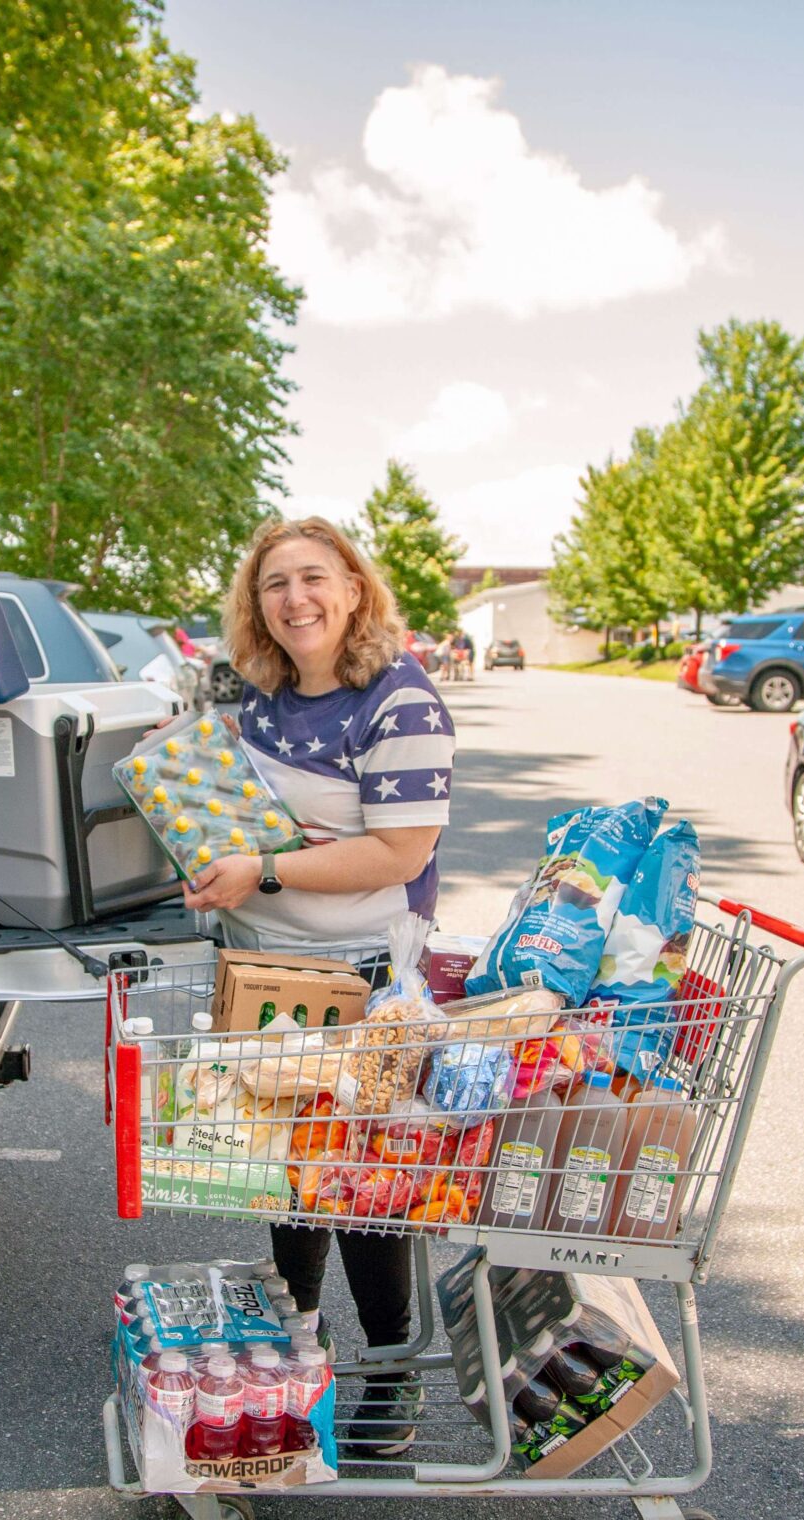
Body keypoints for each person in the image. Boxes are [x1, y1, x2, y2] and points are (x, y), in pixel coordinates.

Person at [184, 516, 455, 1454]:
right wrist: (212, 861)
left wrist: (261, 868)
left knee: (362, 1179)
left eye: (313, 578)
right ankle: (298, 1334)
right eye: (273, 585)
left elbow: (400, 849)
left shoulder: (400, 698)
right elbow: (246, 826)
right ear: (254, 605)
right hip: (261, 969)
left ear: (352, 588)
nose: (294, 599)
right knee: (283, 1170)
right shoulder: (263, 700)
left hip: (363, 980)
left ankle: (391, 1365)